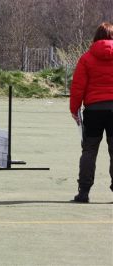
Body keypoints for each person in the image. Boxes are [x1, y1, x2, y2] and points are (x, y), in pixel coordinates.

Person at [70, 22, 113, 203]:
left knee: (89, 151)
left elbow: (78, 86)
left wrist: (74, 109)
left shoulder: (86, 58)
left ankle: (84, 192)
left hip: (93, 110)